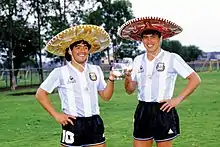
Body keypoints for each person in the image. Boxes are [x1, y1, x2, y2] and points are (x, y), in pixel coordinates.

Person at [118, 17, 201, 147]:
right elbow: (130, 90)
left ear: (160, 39)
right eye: (146, 37)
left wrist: (177, 100)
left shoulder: (171, 58)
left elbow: (195, 79)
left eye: (153, 37)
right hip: (143, 109)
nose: (149, 41)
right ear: (142, 40)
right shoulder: (137, 60)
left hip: (163, 108)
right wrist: (128, 78)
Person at [35, 25, 116, 147]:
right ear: (69, 50)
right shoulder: (60, 72)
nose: (82, 51)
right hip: (73, 123)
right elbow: (40, 94)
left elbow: (106, 96)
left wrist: (111, 79)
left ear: (88, 50)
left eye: (85, 47)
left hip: (94, 121)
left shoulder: (96, 69)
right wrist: (56, 115)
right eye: (77, 47)